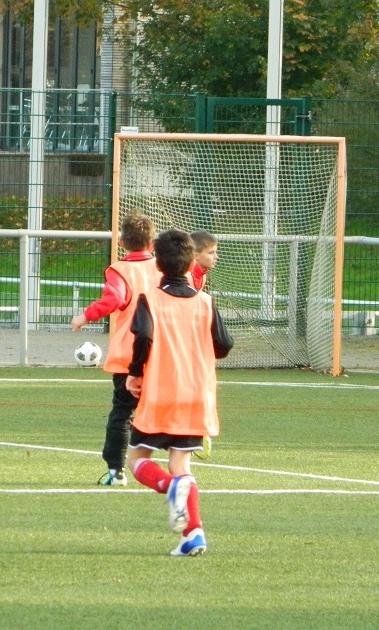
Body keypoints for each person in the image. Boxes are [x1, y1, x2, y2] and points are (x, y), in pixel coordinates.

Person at [125, 229, 234, 557]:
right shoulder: (205, 302)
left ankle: (171, 487)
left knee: (137, 459)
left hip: (161, 393)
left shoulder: (150, 299)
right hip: (197, 394)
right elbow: (224, 344)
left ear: (158, 264)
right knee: (181, 464)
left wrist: (134, 373)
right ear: (190, 264)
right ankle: (194, 535)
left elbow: (143, 338)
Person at [71, 211, 157, 486]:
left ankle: (116, 471)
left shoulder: (120, 270)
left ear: (121, 242)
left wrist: (85, 316)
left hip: (130, 354)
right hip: (162, 352)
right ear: (152, 244)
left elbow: (114, 299)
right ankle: (182, 455)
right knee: (160, 408)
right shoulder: (164, 267)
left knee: (123, 412)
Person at [189, 230, 219, 459]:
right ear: (195, 255)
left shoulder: (201, 275)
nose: (216, 256)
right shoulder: (187, 276)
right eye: (211, 252)